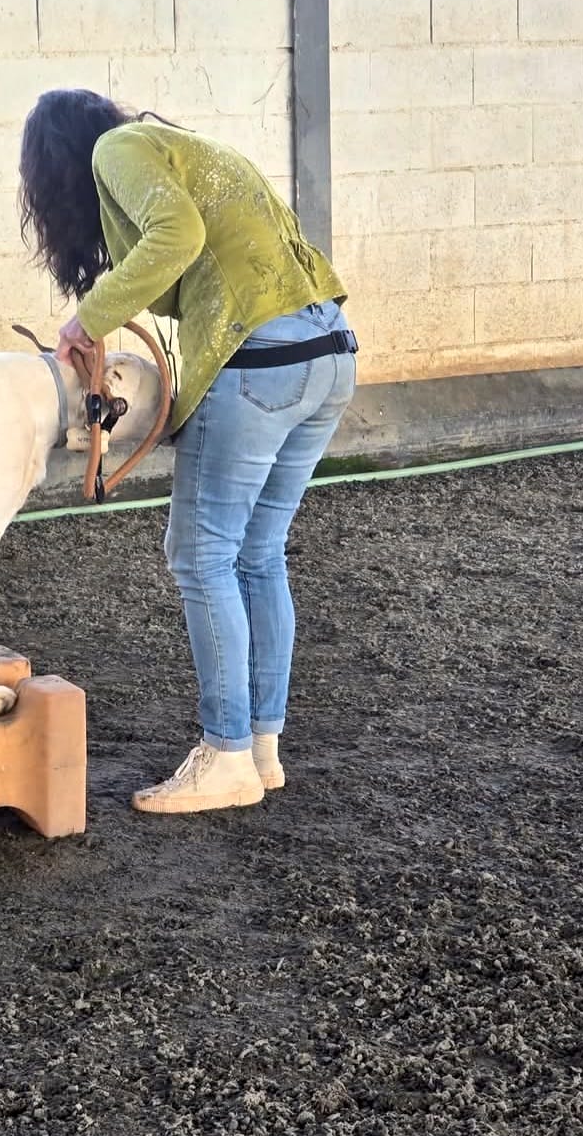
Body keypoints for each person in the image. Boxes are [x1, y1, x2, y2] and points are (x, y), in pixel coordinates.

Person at [18, 89, 356, 816]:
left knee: (202, 555)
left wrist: (89, 317)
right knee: (258, 554)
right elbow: (187, 262)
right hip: (328, 354)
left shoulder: (117, 151)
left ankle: (226, 754)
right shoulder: (194, 153)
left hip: (262, 362)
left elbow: (176, 238)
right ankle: (260, 751)